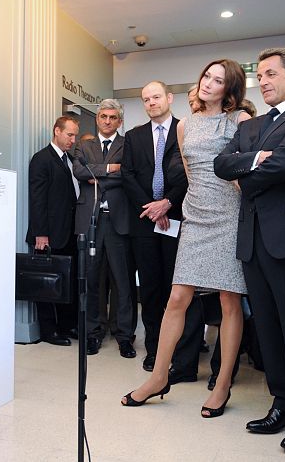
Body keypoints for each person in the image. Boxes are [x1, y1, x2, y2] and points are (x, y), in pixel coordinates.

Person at [214, 47, 285, 454]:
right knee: (269, 331)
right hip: (253, 242)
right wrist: (254, 161)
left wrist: (247, 176)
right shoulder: (251, 126)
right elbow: (220, 164)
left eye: (269, 74)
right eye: (258, 76)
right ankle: (284, 404)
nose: (261, 81)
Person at [121, 60, 251, 419]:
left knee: (229, 302)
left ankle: (223, 383)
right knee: (177, 297)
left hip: (228, 215)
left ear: (230, 87)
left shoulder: (239, 120)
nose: (209, 83)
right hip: (196, 216)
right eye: (207, 76)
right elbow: (191, 173)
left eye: (218, 80)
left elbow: (241, 170)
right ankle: (158, 377)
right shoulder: (187, 125)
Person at [121, 81, 203, 378]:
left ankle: (183, 357)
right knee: (152, 290)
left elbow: (193, 174)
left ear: (169, 98)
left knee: (179, 290)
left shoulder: (187, 130)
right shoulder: (134, 136)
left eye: (156, 97)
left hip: (179, 218)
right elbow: (127, 175)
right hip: (145, 222)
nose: (151, 102)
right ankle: (155, 351)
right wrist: (151, 208)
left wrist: (167, 203)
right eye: (146, 99)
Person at [73, 100, 135, 358]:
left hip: (119, 219)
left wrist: (96, 174)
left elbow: (130, 173)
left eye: (112, 117)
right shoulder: (84, 145)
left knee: (123, 281)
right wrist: (110, 169)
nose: (107, 121)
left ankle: (124, 336)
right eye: (103, 116)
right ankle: (93, 334)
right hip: (91, 219)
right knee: (92, 279)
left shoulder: (127, 144)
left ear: (119, 121)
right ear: (97, 119)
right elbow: (79, 170)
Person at [26, 116, 80, 346]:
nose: (73, 140)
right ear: (57, 131)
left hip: (67, 233)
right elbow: (37, 200)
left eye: (75, 135)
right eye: (69, 135)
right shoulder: (41, 159)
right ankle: (49, 331)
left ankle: (67, 326)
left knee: (66, 282)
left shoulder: (69, 160)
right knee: (46, 284)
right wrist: (41, 234)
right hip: (47, 235)